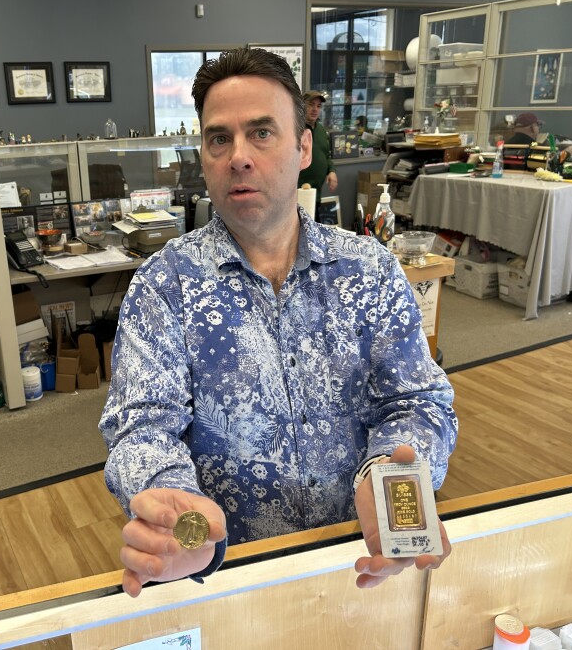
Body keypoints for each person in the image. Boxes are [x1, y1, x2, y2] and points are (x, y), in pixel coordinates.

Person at [99, 48, 458, 598]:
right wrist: (188, 529)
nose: (238, 156)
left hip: (361, 564)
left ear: (303, 146)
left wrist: (390, 484)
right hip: (230, 575)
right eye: (219, 138)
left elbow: (417, 402)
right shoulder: (164, 286)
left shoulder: (370, 270)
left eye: (262, 133)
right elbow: (143, 431)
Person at [297, 89, 337, 211]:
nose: (315, 109)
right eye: (311, 104)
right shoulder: (295, 129)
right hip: (298, 192)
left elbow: (326, 155)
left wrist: (331, 171)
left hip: (317, 193)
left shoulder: (321, 130)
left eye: (318, 106)